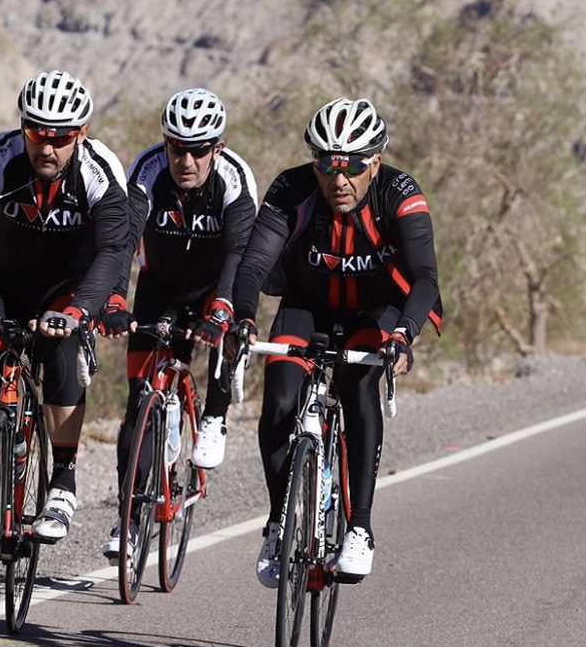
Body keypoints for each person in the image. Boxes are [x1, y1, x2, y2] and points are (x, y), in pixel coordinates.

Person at [229, 97, 443, 585]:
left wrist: (403, 338)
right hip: (308, 306)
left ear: (375, 163)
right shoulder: (291, 188)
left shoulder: (399, 192)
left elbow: (426, 277)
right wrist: (244, 318)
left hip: (377, 312)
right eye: (326, 164)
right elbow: (255, 263)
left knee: (360, 387)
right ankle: (278, 522)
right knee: (280, 401)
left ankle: (361, 528)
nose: (338, 179)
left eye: (351, 167)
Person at [0, 70, 130, 571]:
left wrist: (79, 311)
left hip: (69, 288)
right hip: (6, 284)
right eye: (36, 133)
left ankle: (64, 479)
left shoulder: (99, 171)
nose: (46, 148)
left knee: (61, 352)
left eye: (60, 138)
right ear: (23, 127)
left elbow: (115, 249)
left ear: (81, 134)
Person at [98, 87, 258, 561]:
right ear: (165, 143)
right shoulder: (147, 171)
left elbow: (239, 255)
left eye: (199, 149)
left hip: (215, 285)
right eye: (176, 147)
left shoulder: (235, 178)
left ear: (218, 148)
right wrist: (111, 299)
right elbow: (123, 241)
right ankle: (128, 523)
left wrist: (223, 310)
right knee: (137, 402)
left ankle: (214, 416)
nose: (185, 159)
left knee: (231, 327)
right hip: (160, 286)